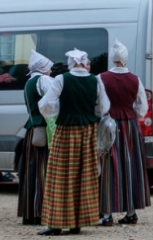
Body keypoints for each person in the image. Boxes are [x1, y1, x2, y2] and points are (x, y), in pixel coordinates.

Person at [38, 48, 107, 235]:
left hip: (66, 131)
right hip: (87, 132)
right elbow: (103, 107)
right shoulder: (96, 80)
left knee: (60, 176)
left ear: (70, 63)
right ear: (85, 63)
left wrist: (61, 111)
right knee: (83, 176)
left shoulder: (61, 79)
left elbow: (46, 106)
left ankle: (56, 223)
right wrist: (88, 116)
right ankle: (78, 222)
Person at [96, 40, 150, 222]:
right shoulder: (135, 79)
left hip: (107, 124)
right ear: (125, 59)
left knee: (108, 166)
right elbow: (142, 108)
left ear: (112, 59)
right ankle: (131, 212)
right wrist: (129, 113)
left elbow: (99, 105)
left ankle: (106, 214)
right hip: (129, 126)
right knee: (130, 165)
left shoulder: (100, 78)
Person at [16, 51, 54, 226]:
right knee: (43, 170)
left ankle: (30, 211)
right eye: (49, 68)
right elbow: (53, 102)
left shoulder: (29, 82)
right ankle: (41, 211)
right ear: (43, 68)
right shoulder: (43, 81)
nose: (51, 72)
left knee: (32, 171)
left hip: (31, 129)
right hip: (43, 130)